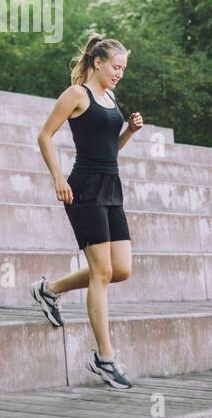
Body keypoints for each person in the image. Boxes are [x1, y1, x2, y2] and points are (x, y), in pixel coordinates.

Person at [32, 34, 143, 389]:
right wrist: (57, 177)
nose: (119, 74)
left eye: (123, 69)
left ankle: (49, 290)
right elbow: (44, 136)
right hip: (84, 189)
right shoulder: (77, 94)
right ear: (98, 62)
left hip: (112, 187)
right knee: (102, 271)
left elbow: (111, 149)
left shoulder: (111, 97)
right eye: (115, 66)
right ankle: (105, 358)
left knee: (120, 270)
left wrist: (129, 132)